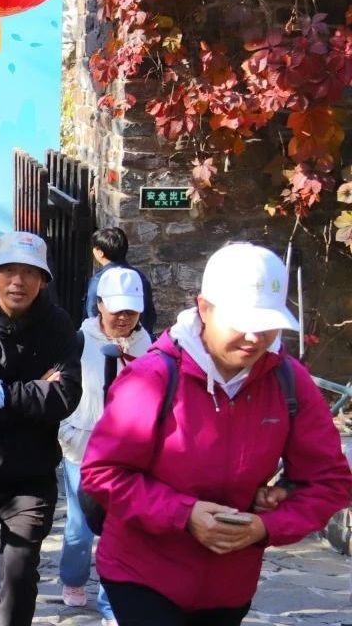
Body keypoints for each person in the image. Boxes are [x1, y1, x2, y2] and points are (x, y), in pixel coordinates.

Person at [81, 243, 352, 626]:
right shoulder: (153, 377)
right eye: (241, 322)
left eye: (266, 324)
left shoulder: (290, 382)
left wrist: (268, 524)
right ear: (204, 308)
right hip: (143, 575)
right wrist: (185, 514)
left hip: (229, 586)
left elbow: (329, 481)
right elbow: (102, 474)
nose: (254, 338)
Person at [0, 231, 83, 626]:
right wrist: (32, 392)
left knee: (20, 570)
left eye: (29, 273)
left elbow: (64, 398)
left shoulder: (58, 325)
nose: (18, 282)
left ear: (43, 279)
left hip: (31, 472)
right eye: (9, 272)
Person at [56, 268, 152, 626]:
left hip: (129, 452)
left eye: (131, 309)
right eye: (117, 309)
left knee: (118, 528)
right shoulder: (78, 339)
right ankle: (73, 576)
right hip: (83, 446)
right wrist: (65, 427)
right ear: (99, 305)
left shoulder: (148, 346)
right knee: (81, 525)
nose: (124, 317)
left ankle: (110, 602)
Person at [83, 227, 157, 335]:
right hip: (139, 338)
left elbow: (92, 314)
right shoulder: (138, 277)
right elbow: (149, 315)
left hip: (107, 341)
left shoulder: (99, 280)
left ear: (99, 252)